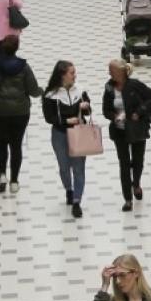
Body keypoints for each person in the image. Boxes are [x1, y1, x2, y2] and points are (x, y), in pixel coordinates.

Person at [0, 36, 41, 195]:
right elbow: (33, 91)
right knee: (16, 145)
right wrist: (42, 91)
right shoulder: (24, 67)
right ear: (16, 48)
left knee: (1, 142)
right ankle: (14, 181)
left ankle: (2, 175)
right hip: (20, 112)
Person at [103, 59, 151, 212]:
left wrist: (138, 112)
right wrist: (114, 116)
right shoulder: (109, 88)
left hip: (137, 128)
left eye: (111, 70)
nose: (109, 73)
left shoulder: (134, 85)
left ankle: (136, 183)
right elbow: (105, 109)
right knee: (124, 164)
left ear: (120, 72)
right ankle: (127, 199)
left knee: (138, 161)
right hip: (119, 131)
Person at [41, 60, 92, 218]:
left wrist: (86, 107)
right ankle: (68, 189)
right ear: (62, 75)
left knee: (78, 168)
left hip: (78, 133)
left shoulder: (80, 91)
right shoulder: (50, 95)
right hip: (60, 134)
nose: (75, 76)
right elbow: (49, 117)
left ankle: (77, 201)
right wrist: (65, 121)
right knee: (64, 167)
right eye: (72, 73)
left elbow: (88, 112)